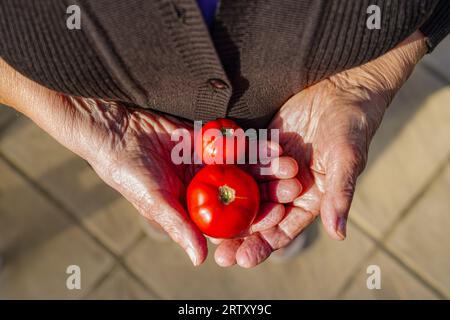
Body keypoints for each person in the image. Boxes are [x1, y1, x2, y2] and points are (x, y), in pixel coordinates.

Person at [0, 0, 449, 268]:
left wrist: (370, 75)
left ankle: (171, 214)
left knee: (181, 196)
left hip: (292, 140)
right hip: (152, 139)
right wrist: (51, 103)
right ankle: (164, 212)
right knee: (164, 194)